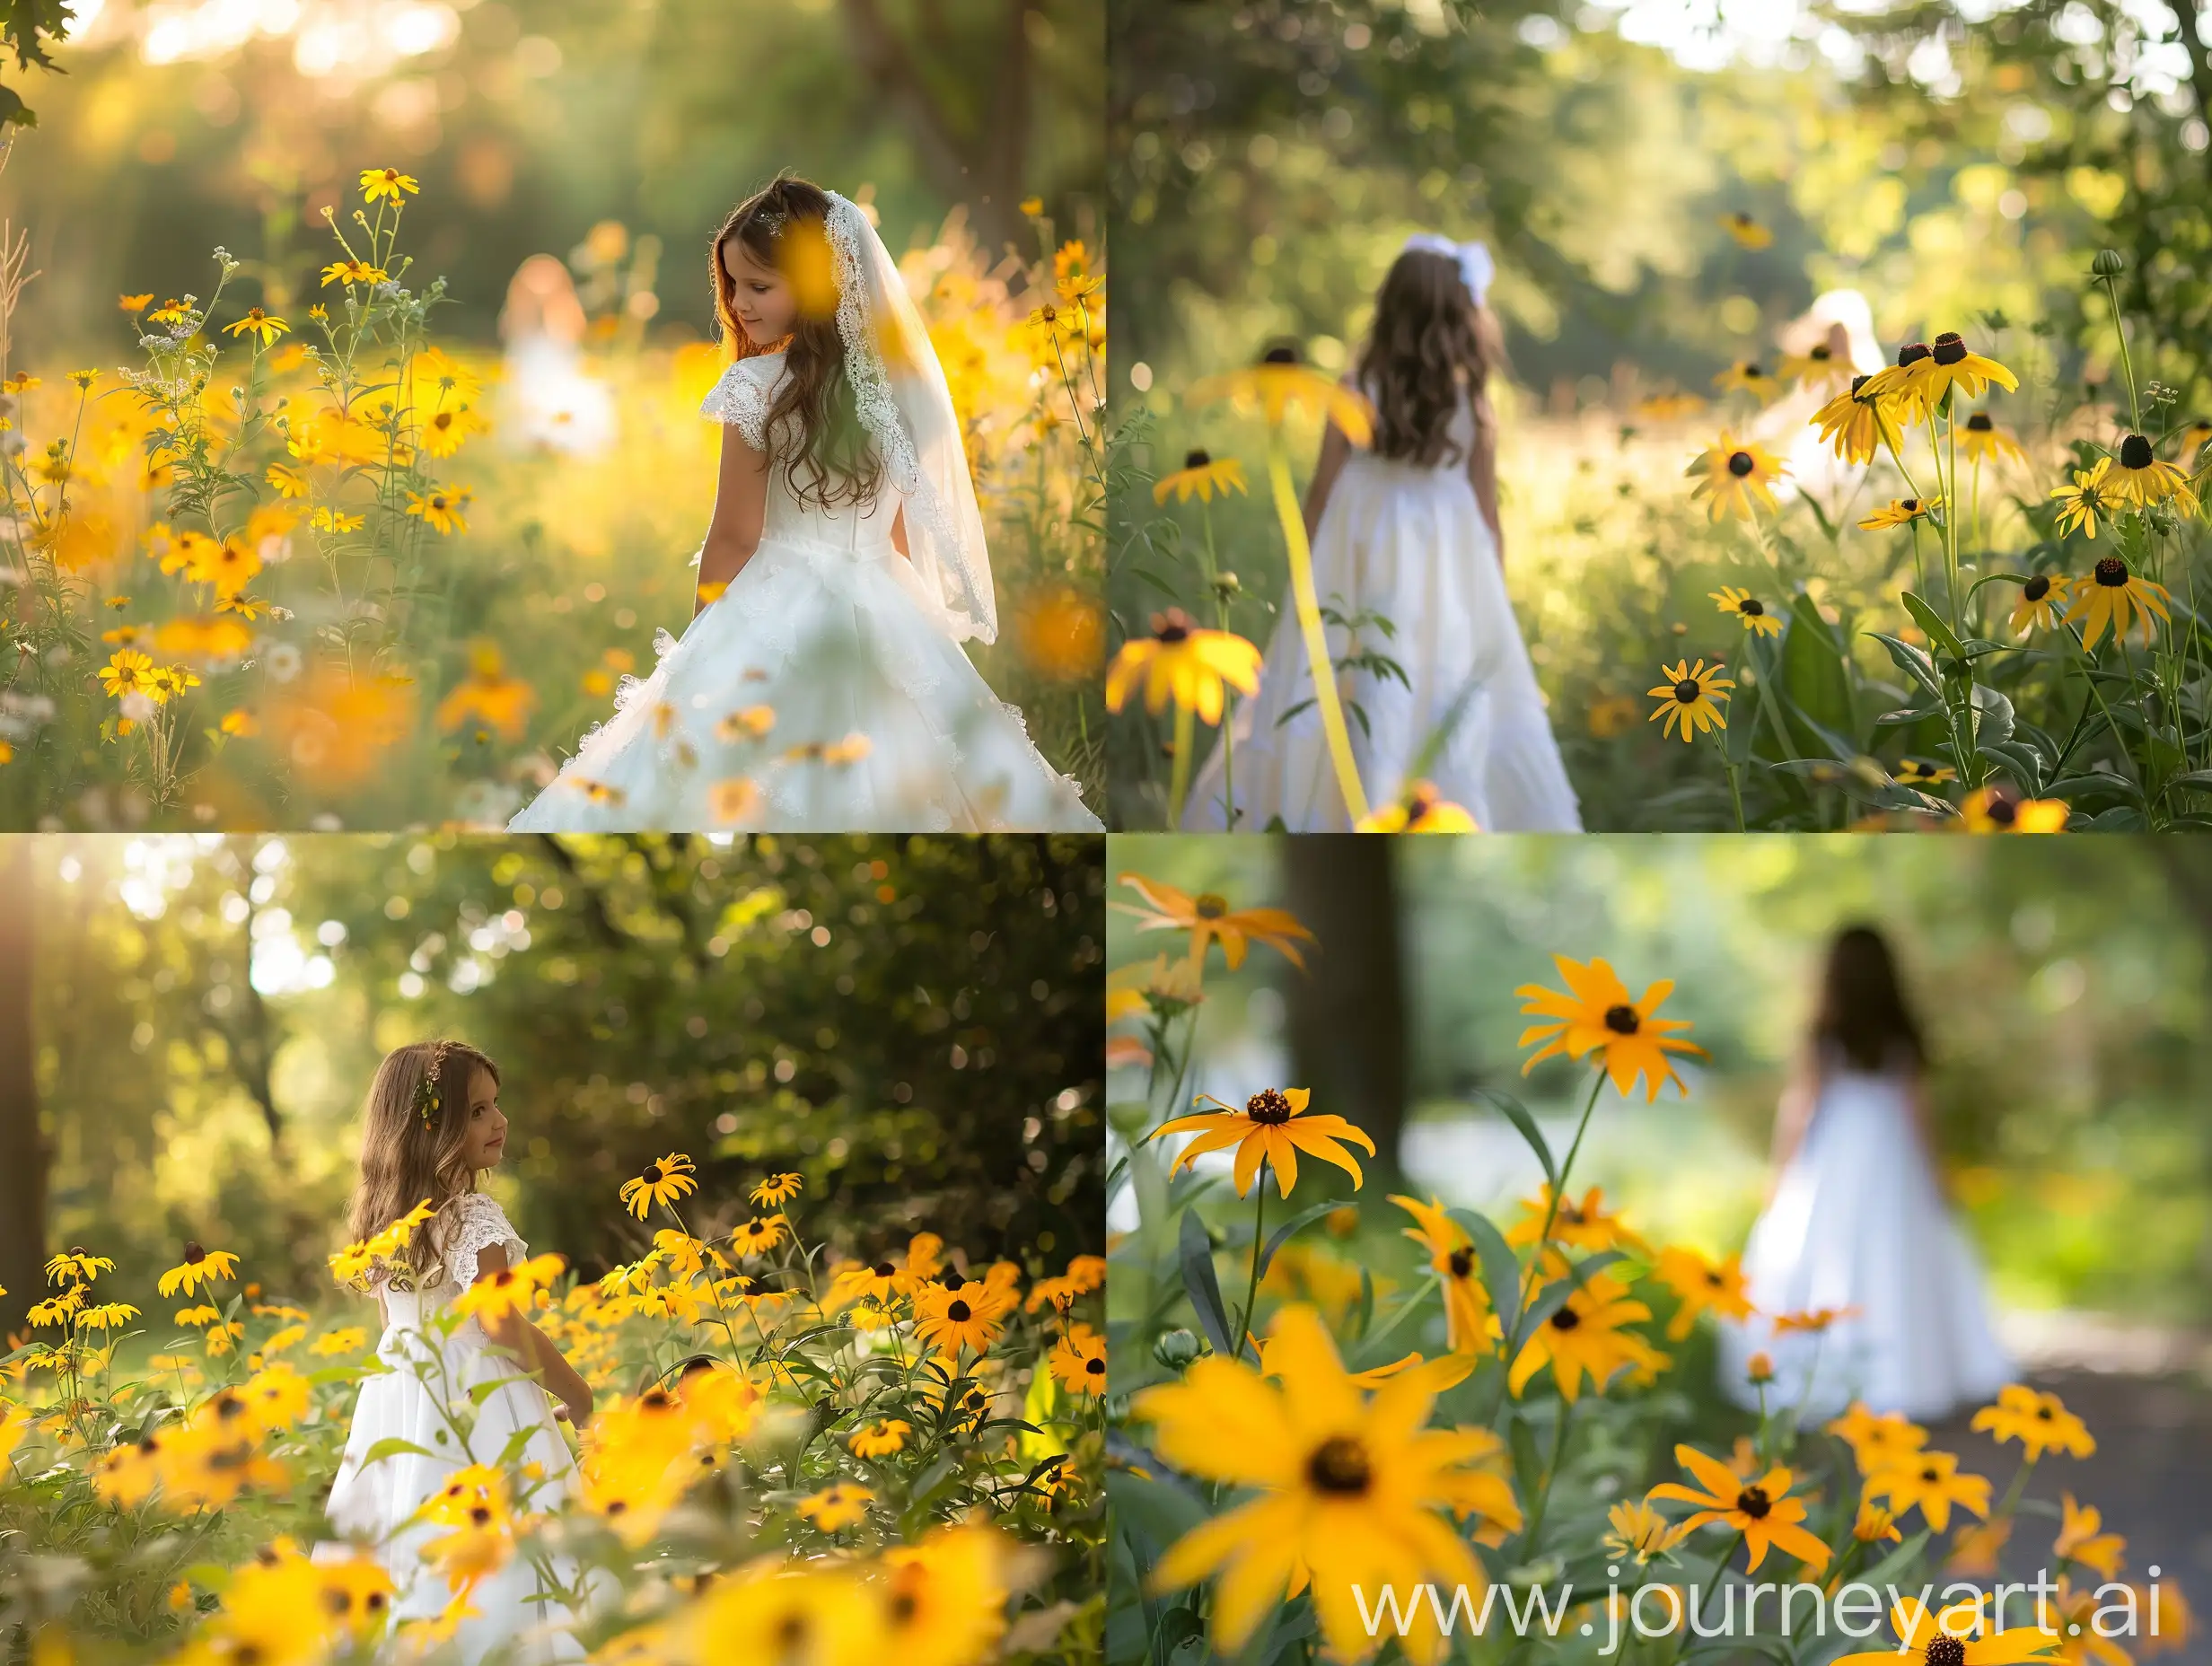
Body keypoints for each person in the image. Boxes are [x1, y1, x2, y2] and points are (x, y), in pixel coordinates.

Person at [507, 174, 1099, 832]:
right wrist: (919, 628)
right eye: (732, 284)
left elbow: (733, 535)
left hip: (776, 600)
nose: (739, 303)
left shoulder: (758, 387)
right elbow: (901, 535)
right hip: (886, 601)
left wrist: (700, 644)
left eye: (760, 286)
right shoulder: (898, 392)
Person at [1181, 235, 1580, 831]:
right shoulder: (1472, 398)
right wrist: (1490, 590)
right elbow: (1486, 509)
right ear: (1460, 316)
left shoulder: (1354, 385)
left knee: (1350, 678)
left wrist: (1308, 569)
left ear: (1389, 308)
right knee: (1430, 680)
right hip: (1446, 566)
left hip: (1357, 556)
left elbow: (1321, 489)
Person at [322, 1041, 595, 1661]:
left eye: (495, 1106)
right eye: (476, 1112)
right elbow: (499, 1323)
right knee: (505, 1536)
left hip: (399, 1405)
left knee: (406, 1539)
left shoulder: (385, 1222)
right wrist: (579, 1395)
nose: (499, 1123)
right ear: (431, 1128)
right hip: (480, 1404)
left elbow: (397, 1325)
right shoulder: (472, 1214)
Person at [1719, 926, 2013, 1422]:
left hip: (1836, 1156)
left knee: (1836, 1256)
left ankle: (1827, 1381)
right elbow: (1920, 1114)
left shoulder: (1823, 1032)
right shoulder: (1900, 1032)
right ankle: (1902, 1378)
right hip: (1891, 1158)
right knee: (1893, 1261)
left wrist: (1780, 1171)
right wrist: (1937, 1177)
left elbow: (1799, 1108)